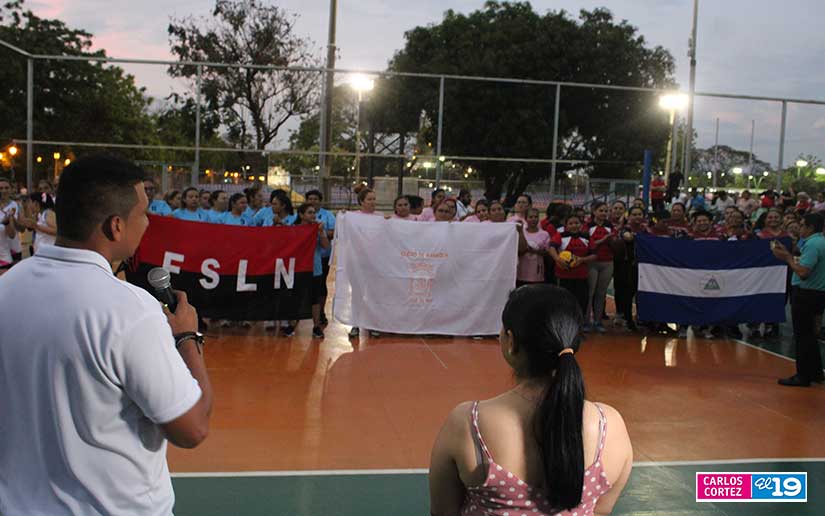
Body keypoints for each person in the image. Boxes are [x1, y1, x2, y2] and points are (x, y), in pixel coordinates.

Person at [0, 154, 212, 514]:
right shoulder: (130, 310)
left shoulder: (8, 287)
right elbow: (191, 428)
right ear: (116, 226)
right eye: (143, 213)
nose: (147, 223)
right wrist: (187, 339)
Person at [429, 285, 632, 516]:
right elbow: (600, 511)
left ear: (511, 341)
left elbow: (442, 512)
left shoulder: (468, 423)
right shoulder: (610, 425)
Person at [771, 213, 825, 387]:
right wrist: (788, 252)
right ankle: (816, 372)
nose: (799, 227)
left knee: (803, 336)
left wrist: (786, 258)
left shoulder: (813, 245)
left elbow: (803, 272)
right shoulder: (820, 242)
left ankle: (803, 375)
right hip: (817, 293)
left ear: (810, 227)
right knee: (810, 335)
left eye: (802, 225)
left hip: (806, 294)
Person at [549, 214, 595, 317]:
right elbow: (551, 248)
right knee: (564, 301)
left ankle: (579, 324)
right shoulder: (560, 236)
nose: (574, 225)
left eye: (576, 223)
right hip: (564, 275)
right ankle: (564, 323)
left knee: (581, 301)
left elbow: (594, 255)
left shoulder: (586, 237)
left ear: (581, 224)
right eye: (570, 223)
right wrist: (558, 259)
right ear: (566, 226)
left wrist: (582, 260)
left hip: (581, 275)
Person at [296, 203, 331, 338]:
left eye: (313, 213)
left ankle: (316, 326)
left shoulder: (316, 229)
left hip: (314, 268)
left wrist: (321, 232)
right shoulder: (294, 229)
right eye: (309, 212)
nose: (313, 215)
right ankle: (293, 324)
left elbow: (326, 246)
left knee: (314, 298)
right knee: (297, 296)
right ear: (301, 215)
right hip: (298, 268)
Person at [305, 189, 336, 326]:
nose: (313, 201)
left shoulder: (328, 215)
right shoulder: (302, 215)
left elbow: (334, 231)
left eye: (315, 199)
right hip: (304, 257)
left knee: (321, 284)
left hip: (323, 256)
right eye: (310, 199)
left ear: (320, 201)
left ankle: (321, 312)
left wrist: (320, 232)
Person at [586, 202, 616, 333]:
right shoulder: (588, 226)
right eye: (601, 210)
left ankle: (598, 321)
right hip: (592, 262)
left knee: (601, 293)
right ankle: (586, 321)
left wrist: (614, 241)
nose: (604, 213)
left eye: (605, 211)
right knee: (590, 292)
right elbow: (589, 244)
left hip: (607, 262)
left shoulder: (610, 226)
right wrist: (604, 239)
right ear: (594, 211)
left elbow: (615, 243)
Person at [516, 208, 551, 287]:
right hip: (521, 272)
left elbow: (547, 253)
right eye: (530, 217)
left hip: (537, 273)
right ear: (526, 218)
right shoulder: (521, 232)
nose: (533, 219)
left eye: (535, 217)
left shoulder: (544, 234)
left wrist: (533, 250)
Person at [0, 176, 21, 269]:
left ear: (11, 189)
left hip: (13, 248)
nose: (4, 191)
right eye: (0, 188)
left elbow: (21, 229)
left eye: (6, 188)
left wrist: (11, 220)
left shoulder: (15, 205)